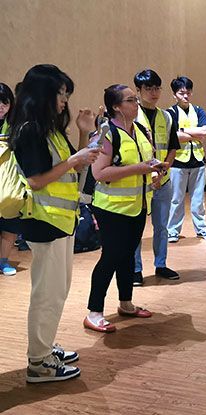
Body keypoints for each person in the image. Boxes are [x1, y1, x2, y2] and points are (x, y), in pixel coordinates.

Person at [11, 64, 100, 382]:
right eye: (61, 93)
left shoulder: (50, 129)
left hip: (62, 220)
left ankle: (45, 346)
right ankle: (38, 361)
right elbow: (36, 180)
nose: (65, 99)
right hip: (44, 221)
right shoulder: (29, 130)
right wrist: (74, 161)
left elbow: (71, 168)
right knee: (47, 293)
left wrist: (84, 133)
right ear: (44, 93)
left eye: (66, 93)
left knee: (58, 289)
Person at [84, 84, 166, 333]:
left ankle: (126, 303)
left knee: (128, 255)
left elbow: (142, 161)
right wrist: (140, 168)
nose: (136, 103)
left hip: (137, 205)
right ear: (116, 107)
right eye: (130, 100)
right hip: (111, 209)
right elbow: (98, 172)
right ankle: (94, 311)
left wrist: (154, 169)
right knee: (110, 257)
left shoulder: (139, 129)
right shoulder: (107, 133)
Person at [132, 69, 180, 285]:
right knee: (137, 228)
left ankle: (160, 264)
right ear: (138, 91)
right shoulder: (131, 115)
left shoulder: (167, 116)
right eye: (148, 88)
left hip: (163, 180)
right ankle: (135, 269)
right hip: (140, 182)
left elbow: (172, 147)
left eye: (156, 88)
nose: (153, 93)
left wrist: (162, 172)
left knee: (161, 226)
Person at [166, 76, 206, 243]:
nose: (185, 96)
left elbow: (204, 131)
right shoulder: (169, 113)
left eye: (188, 93)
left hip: (198, 161)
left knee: (198, 199)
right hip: (178, 163)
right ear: (174, 94)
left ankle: (201, 229)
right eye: (181, 93)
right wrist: (193, 134)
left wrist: (184, 131)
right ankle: (172, 230)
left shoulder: (199, 110)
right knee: (176, 199)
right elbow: (173, 136)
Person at [0, 82, 20, 276]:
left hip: (11, 183)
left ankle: (4, 261)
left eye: (4, 102)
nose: (1, 107)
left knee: (10, 224)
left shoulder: (14, 124)